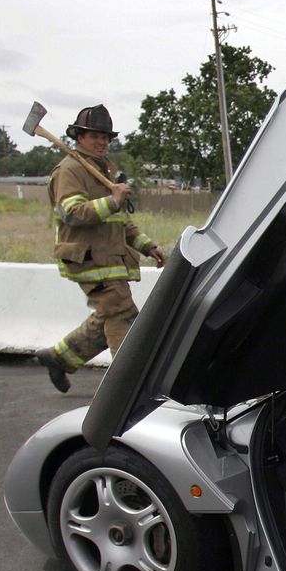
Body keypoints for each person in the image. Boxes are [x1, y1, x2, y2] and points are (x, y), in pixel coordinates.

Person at [34, 105, 164, 393]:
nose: (102, 142)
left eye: (105, 137)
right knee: (122, 315)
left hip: (109, 259)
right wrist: (114, 200)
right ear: (79, 136)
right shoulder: (70, 170)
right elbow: (73, 213)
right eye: (95, 136)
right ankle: (127, 389)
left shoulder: (103, 169)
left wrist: (147, 246)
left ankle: (58, 357)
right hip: (89, 260)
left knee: (109, 314)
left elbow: (120, 220)